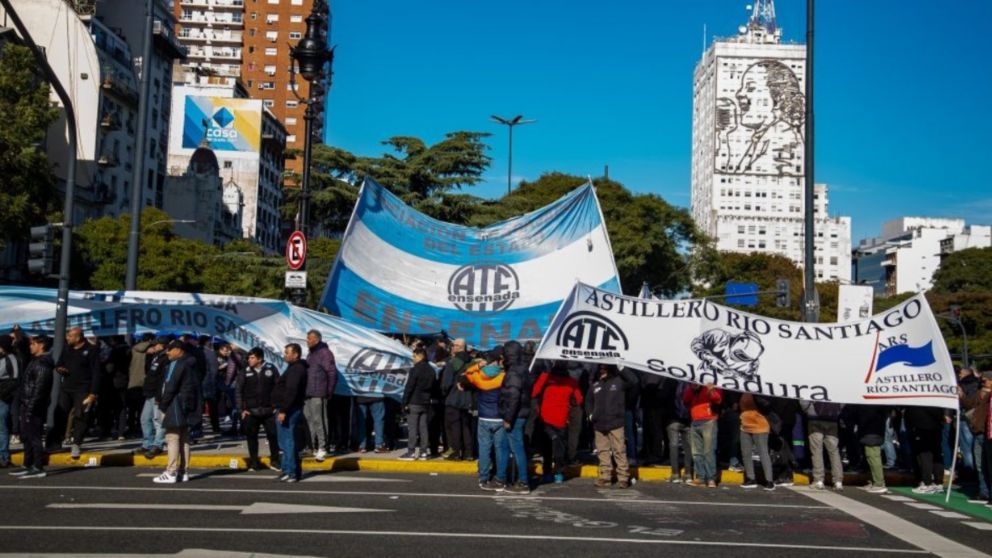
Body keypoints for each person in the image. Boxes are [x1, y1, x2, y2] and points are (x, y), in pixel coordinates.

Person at [154, 341, 200, 483]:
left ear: (178, 350)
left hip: (175, 404)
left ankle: (171, 471)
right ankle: (183, 471)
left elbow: (170, 386)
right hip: (188, 404)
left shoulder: (178, 364)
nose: (167, 353)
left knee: (172, 437)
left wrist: (163, 404)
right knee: (184, 439)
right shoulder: (192, 362)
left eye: (169, 349)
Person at [8, 335, 53, 479]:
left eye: (34, 344)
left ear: (42, 346)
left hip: (33, 406)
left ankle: (38, 466)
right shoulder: (35, 361)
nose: (31, 346)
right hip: (26, 404)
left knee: (35, 437)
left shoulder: (42, 364)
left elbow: (40, 389)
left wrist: (31, 407)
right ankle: (28, 464)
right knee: (26, 437)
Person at [462, 348, 506, 491]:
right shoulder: (503, 377)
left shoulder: (479, 376)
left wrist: (477, 366)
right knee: (500, 449)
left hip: (484, 416)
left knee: (484, 448)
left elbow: (467, 373)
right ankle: (501, 477)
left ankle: (483, 477)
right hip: (499, 417)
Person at [532, 361, 582, 484]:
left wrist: (544, 375)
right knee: (559, 448)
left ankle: (547, 472)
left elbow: (534, 392)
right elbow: (579, 399)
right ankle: (559, 473)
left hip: (545, 419)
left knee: (547, 448)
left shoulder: (547, 378)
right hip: (561, 419)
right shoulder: (571, 382)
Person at [586, 364, 636, 488]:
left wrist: (622, 367)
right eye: (601, 368)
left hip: (616, 422)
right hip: (599, 423)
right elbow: (588, 401)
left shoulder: (619, 381)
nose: (602, 370)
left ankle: (623, 477)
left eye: (604, 368)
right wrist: (590, 415)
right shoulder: (596, 384)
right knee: (602, 451)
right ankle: (605, 477)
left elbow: (633, 380)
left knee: (619, 450)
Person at [55, 327, 101, 459]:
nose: (67, 338)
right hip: (66, 387)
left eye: (70, 336)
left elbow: (96, 373)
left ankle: (76, 443)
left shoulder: (91, 350)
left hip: (83, 389)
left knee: (81, 416)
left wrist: (93, 392)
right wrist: (60, 369)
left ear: (78, 337)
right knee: (60, 413)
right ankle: (56, 442)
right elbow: (59, 364)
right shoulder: (66, 349)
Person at [237, 347, 281, 471]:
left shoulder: (271, 369)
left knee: (273, 436)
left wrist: (276, 406)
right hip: (251, 411)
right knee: (251, 437)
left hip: (269, 410)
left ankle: (275, 461)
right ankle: (254, 462)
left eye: (252, 358)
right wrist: (241, 409)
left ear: (260, 359)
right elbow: (238, 391)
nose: (249, 360)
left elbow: (278, 388)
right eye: (248, 357)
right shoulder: (244, 371)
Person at [497, 340, 532, 493]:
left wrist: (508, 418)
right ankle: (501, 478)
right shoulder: (522, 369)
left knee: (517, 448)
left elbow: (513, 396)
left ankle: (523, 482)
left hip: (515, 416)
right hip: (517, 413)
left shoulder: (514, 372)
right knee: (504, 445)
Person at [273, 343, 308, 482]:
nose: (285, 355)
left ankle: (293, 472)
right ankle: (287, 469)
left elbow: (291, 391)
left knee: (288, 441)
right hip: (286, 408)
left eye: (287, 352)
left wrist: (283, 410)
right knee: (284, 441)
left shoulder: (297, 369)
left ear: (296, 354)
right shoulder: (292, 367)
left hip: (289, 409)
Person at [304, 330, 336, 462]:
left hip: (319, 392)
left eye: (309, 338)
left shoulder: (325, 353)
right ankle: (311, 446)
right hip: (308, 393)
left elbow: (332, 373)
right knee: (309, 421)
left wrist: (328, 391)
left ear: (316, 339)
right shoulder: (311, 354)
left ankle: (323, 447)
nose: (307, 341)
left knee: (320, 421)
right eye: (307, 338)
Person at [683, 382, 723, 488]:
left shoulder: (713, 385)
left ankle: (711, 479)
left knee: (709, 451)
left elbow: (718, 399)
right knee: (696, 452)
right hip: (695, 421)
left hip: (709, 421)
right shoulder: (693, 387)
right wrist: (692, 388)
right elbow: (685, 399)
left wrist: (710, 390)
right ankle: (700, 477)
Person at [961, 370, 992, 504]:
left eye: (985, 380)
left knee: (988, 464)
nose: (982, 383)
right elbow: (969, 404)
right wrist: (961, 396)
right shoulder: (980, 393)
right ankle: (984, 492)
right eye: (982, 380)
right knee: (981, 464)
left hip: (987, 432)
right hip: (978, 431)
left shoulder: (989, 396)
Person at [441, 338, 473, 461]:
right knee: (466, 427)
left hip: (453, 399)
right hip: (467, 399)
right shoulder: (472, 362)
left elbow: (446, 383)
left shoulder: (453, 362)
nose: (452, 347)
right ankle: (468, 453)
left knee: (453, 427)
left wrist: (444, 393)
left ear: (459, 347)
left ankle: (455, 452)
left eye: (454, 345)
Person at [802, 400, 844, 491]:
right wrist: (837, 411)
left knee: (817, 450)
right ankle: (838, 481)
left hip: (815, 419)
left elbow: (803, 402)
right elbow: (842, 400)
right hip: (832, 418)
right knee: (834, 451)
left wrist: (808, 410)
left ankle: (818, 480)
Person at [400, 346, 434, 461]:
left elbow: (409, 387)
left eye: (414, 356)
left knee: (413, 428)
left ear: (420, 356)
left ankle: (411, 452)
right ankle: (424, 452)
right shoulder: (431, 369)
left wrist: (404, 402)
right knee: (423, 428)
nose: (413, 359)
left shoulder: (415, 370)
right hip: (425, 402)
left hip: (414, 401)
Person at [905, 405, 945, 494]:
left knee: (924, 455)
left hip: (922, 424)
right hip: (935, 425)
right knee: (936, 453)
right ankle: (938, 482)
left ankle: (927, 483)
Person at [738, 393, 775, 490]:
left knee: (763, 453)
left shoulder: (759, 392)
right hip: (745, 426)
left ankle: (769, 481)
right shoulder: (740, 392)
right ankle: (751, 479)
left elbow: (767, 406)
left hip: (760, 427)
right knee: (746, 453)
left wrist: (756, 395)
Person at [140, 338, 169, 459]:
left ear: (161, 345)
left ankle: (158, 444)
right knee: (145, 418)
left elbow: (162, 379)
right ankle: (147, 443)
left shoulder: (165, 359)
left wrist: (159, 396)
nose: (153, 347)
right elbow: (148, 371)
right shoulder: (155, 357)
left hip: (157, 394)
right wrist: (148, 356)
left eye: (155, 345)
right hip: (149, 393)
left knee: (158, 420)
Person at [663, 380, 693, 483]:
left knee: (673, 445)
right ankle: (688, 473)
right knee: (688, 446)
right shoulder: (691, 381)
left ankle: (675, 474)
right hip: (688, 418)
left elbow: (664, 397)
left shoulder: (669, 381)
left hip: (673, 418)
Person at [857, 405, 890, 494]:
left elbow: (865, 418)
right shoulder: (881, 406)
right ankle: (874, 481)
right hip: (875, 433)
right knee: (871, 459)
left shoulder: (870, 407)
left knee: (873, 458)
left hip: (871, 433)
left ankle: (879, 484)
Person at [0, 336, 21, 468]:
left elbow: (15, 379)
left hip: (2, 397)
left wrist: (2, 395)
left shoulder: (11, 359)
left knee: (1, 427)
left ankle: (3, 456)